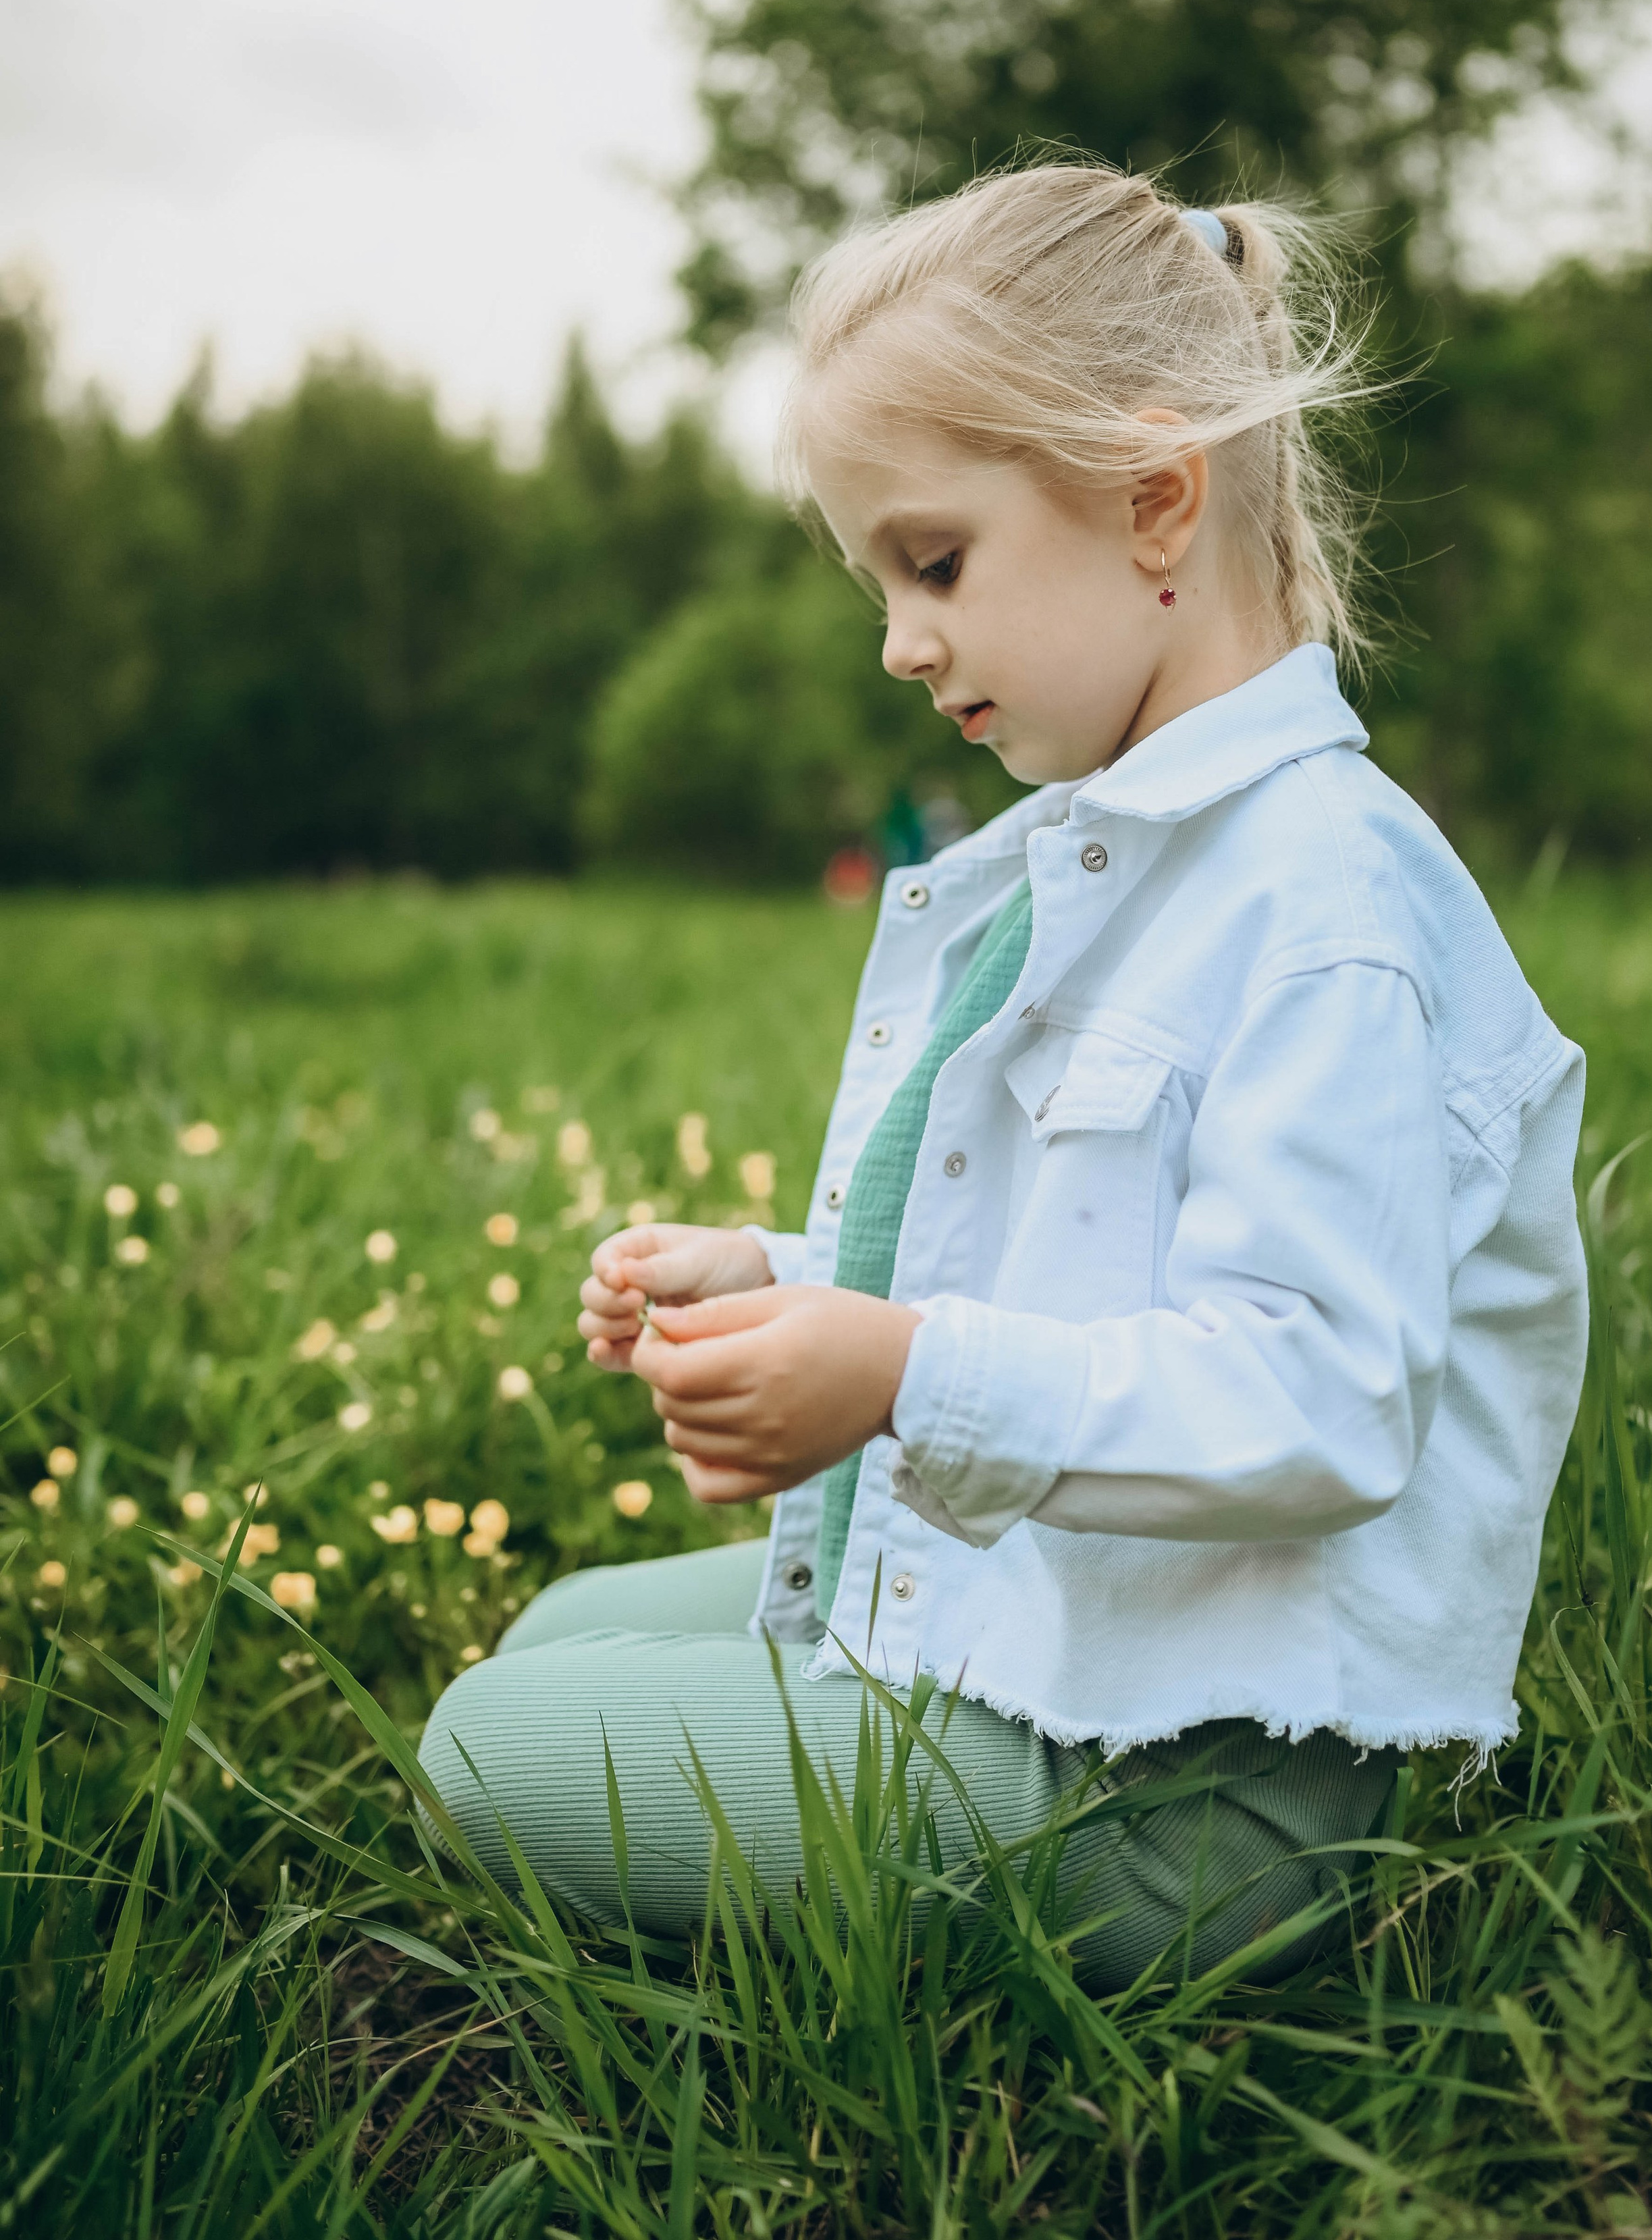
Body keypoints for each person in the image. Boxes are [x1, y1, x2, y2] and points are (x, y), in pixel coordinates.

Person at [421, 163, 1588, 1991]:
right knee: (559, 1632)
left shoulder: (1324, 901)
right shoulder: (1113, 861)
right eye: (880, 580)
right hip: (1074, 1628)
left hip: (1193, 1787)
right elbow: (1062, 1272)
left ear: (1153, 498)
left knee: (481, 1745)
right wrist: (787, 1283)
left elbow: (1325, 1396)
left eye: (936, 562)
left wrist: (894, 1373)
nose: (899, 640)